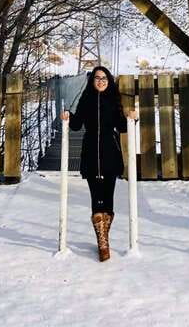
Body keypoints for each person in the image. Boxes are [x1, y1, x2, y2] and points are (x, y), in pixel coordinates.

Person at [60, 65, 137, 262]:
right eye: (97, 78)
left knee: (108, 199)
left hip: (110, 153)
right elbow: (77, 125)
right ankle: (102, 242)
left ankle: (104, 237)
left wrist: (131, 119)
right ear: (92, 81)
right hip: (90, 154)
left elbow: (121, 127)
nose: (101, 81)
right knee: (96, 198)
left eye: (104, 78)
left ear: (109, 81)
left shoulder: (114, 100)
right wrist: (68, 115)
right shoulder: (86, 100)